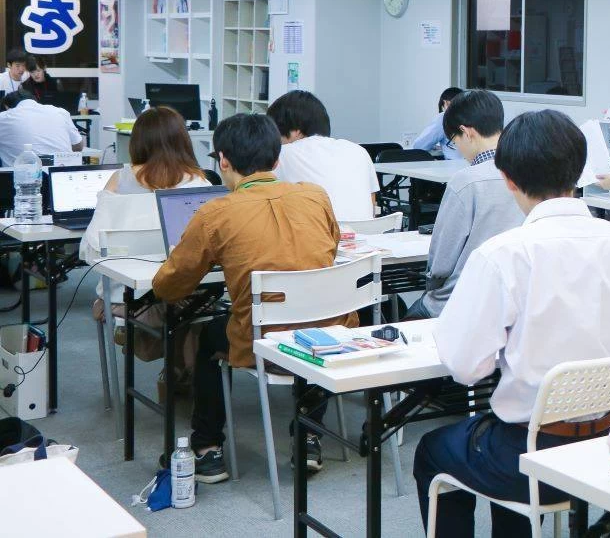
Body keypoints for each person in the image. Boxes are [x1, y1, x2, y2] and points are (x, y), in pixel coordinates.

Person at [413, 110, 610, 537]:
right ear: (579, 170)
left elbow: (465, 368)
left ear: (508, 179)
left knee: (435, 450)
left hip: (532, 458)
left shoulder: (503, 255)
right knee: (497, 434)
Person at [152, 114, 352, 483]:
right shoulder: (316, 195)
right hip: (329, 337)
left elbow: (171, 286)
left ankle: (207, 449)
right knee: (313, 317)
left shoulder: (215, 212)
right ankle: (308, 436)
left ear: (223, 160)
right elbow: (332, 248)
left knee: (209, 333)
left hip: (264, 341)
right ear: (277, 161)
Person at [405, 90, 523, 319]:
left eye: (454, 141)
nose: (457, 148)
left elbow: (440, 266)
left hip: (460, 300)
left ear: (466, 133)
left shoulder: (466, 182)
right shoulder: (528, 174)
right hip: (511, 299)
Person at [82, 106, 208, 260]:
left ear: (137, 141)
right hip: (181, 278)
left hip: (122, 277)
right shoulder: (200, 182)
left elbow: (91, 245)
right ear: (183, 140)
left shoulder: (119, 178)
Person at [266, 90, 379, 221]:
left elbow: (256, 201)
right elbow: (372, 207)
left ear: (295, 131)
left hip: (317, 238)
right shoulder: (359, 151)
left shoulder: (283, 153)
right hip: (367, 237)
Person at [0, 89, 83, 164]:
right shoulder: (60, 112)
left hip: (23, 177)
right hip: (62, 174)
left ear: (7, 107)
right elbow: (78, 146)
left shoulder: (4, 117)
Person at [411, 86, 463, 160]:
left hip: (453, 167)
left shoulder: (444, 118)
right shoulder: (475, 115)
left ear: (445, 102)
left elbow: (419, 146)